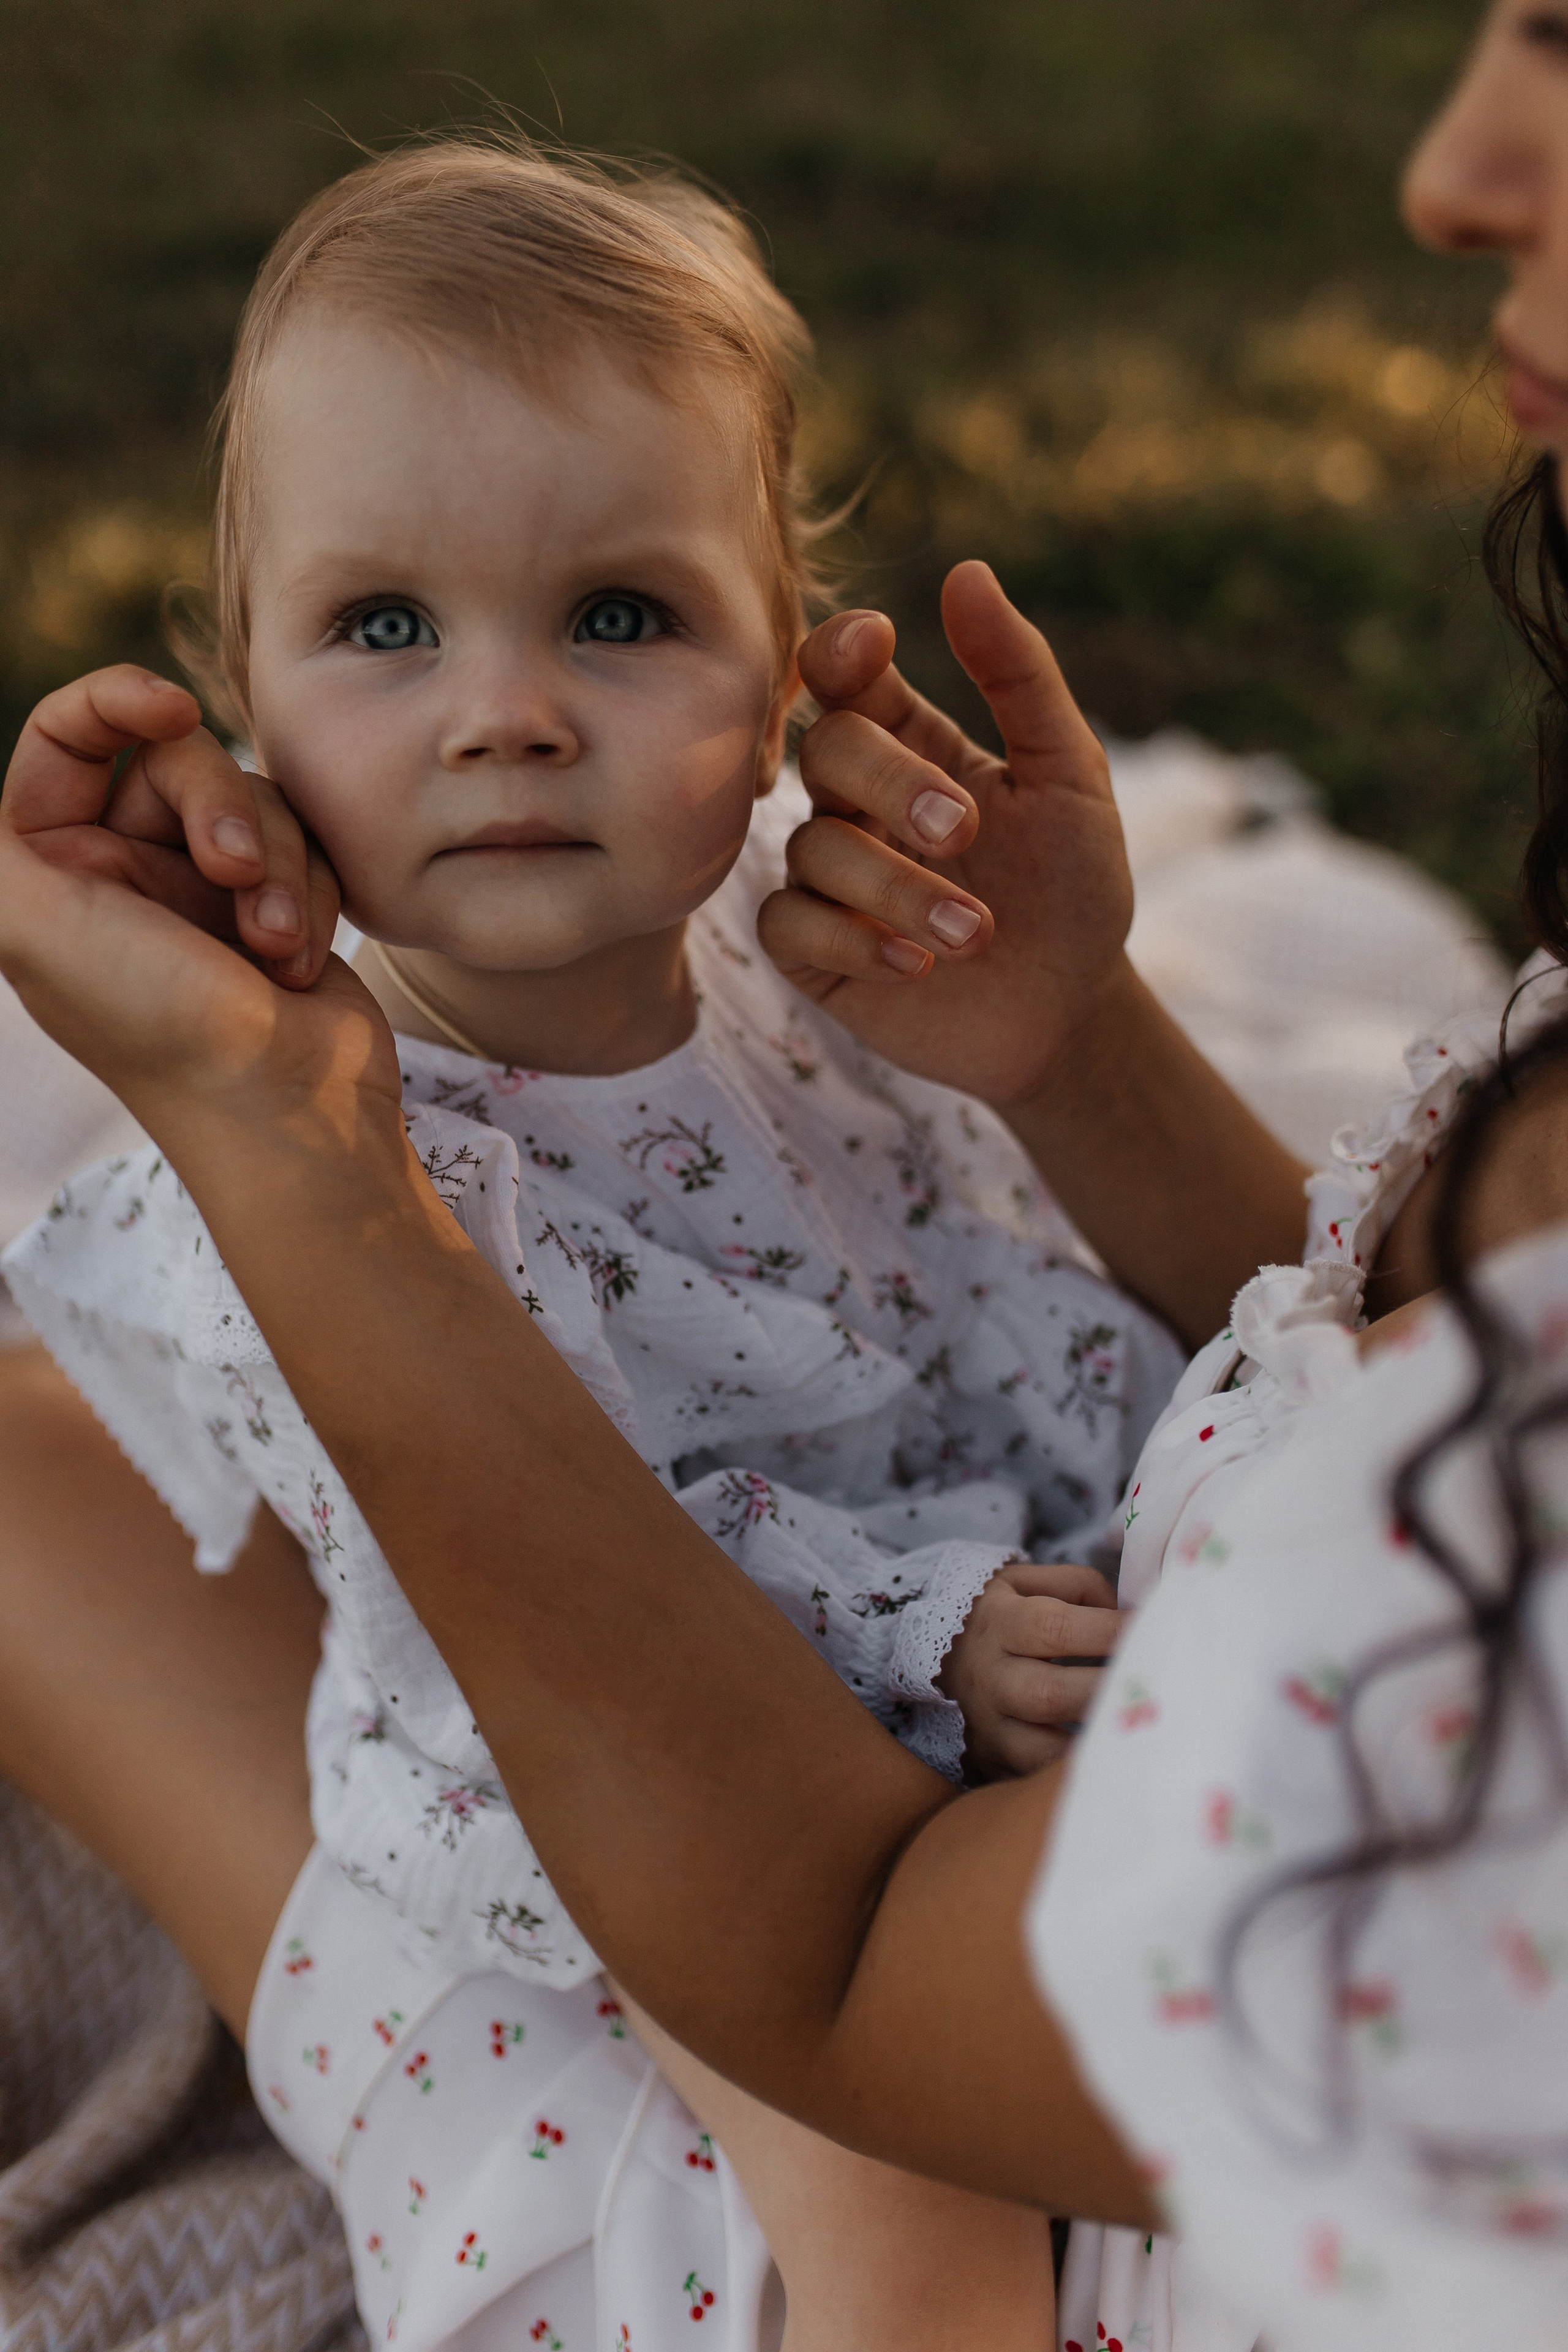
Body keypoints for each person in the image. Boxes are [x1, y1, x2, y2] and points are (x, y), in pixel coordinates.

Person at [2, 2, 1565, 2348]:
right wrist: (948, 1595)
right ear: (241, 690)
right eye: (381, 628)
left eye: (620, 619)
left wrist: (1066, 1490)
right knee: (889, 2211)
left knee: (913, 2191)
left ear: (780, 689)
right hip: (592, 1841)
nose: (505, 712)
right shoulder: (351, 1175)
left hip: (882, 1831)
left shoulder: (780, 998)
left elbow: (953, 1284)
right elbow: (599, 1557)